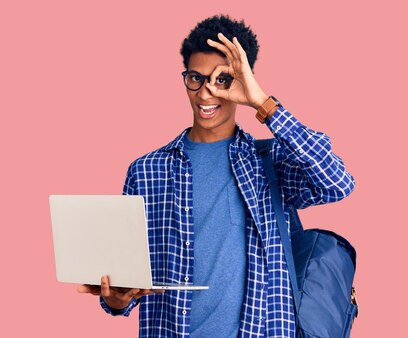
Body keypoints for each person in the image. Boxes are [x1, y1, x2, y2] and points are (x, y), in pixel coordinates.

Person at [77, 14, 355, 338]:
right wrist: (116, 298)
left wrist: (262, 103)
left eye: (221, 80)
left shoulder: (269, 164)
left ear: (242, 80)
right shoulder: (146, 172)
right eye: (196, 78)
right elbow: (128, 284)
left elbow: (337, 181)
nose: (206, 93)